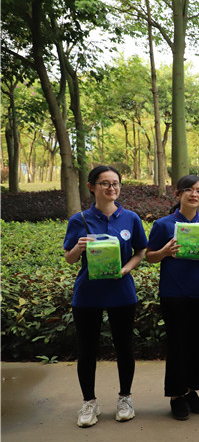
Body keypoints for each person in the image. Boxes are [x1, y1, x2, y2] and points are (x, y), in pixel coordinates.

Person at [63, 165, 147, 427]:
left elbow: (141, 251)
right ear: (92, 187)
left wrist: (125, 269)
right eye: (105, 183)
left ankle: (125, 398)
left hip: (122, 292)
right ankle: (89, 402)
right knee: (87, 349)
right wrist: (78, 247)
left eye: (116, 183)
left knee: (124, 347)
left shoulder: (130, 218)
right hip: (88, 294)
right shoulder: (79, 220)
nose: (112, 188)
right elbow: (69, 259)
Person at [145, 175, 199, 420]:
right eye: (188, 189)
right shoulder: (163, 225)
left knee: (197, 343)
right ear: (178, 194)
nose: (194, 194)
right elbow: (149, 256)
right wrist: (165, 251)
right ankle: (177, 395)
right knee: (177, 343)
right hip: (174, 292)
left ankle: (192, 389)